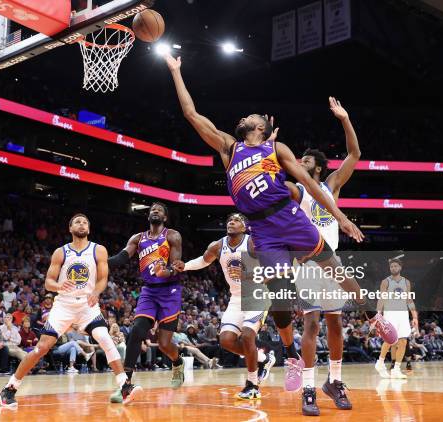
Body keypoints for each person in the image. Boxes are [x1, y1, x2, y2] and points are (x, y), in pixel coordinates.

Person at [164, 54, 396, 367]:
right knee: (281, 299)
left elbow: (311, 187)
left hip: (289, 217)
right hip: (261, 228)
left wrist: (340, 217)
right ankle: (289, 355)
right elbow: (191, 113)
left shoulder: (276, 149)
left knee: (335, 268)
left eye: (253, 115)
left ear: (261, 125)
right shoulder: (229, 147)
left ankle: (372, 316)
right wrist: (176, 71)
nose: (246, 116)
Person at [274, 97, 361, 414]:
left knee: (336, 325)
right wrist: (268, 149)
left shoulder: (331, 186)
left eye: (305, 161)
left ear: (318, 166)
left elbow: (354, 154)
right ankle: (308, 388)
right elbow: (276, 181)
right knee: (311, 324)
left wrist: (345, 119)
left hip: (332, 262)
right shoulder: (298, 190)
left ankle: (334, 381)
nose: (300, 162)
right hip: (308, 264)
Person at [0, 214, 128, 407]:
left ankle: (125, 385)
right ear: (70, 228)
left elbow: (102, 279)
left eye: (85, 222)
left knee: (105, 337)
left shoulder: (98, 250)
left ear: (89, 229)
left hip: (87, 305)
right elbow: (48, 282)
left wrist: (97, 292)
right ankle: (9, 388)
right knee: (41, 348)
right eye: (78, 221)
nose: (82, 224)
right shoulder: (61, 252)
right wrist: (59, 286)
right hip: (64, 305)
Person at [175, 213, 274, 400]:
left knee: (247, 336)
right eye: (229, 220)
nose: (231, 222)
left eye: (236, 220)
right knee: (226, 341)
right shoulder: (218, 245)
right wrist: (185, 266)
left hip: (257, 296)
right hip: (236, 298)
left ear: (245, 227)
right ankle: (263, 359)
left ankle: (252, 384)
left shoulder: (253, 243)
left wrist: (265, 277)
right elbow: (203, 261)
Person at [107, 203, 184, 403]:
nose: (155, 211)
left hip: (170, 291)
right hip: (149, 291)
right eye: (152, 209)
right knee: (136, 332)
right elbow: (121, 257)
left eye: (159, 210)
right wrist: (99, 261)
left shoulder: (172, 236)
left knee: (164, 343)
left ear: (165, 217)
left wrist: (166, 271)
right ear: (148, 216)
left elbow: (176, 266)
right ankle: (125, 385)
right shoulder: (137, 238)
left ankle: (177, 362)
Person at [375, 259, 418, 379]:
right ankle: (380, 362)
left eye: (395, 266)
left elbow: (409, 299)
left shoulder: (406, 282)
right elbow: (381, 299)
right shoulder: (386, 281)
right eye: (391, 266)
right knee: (390, 340)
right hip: (390, 314)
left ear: (400, 267)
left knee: (403, 341)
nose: (393, 268)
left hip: (403, 315)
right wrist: (378, 314)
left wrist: (414, 316)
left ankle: (396, 369)